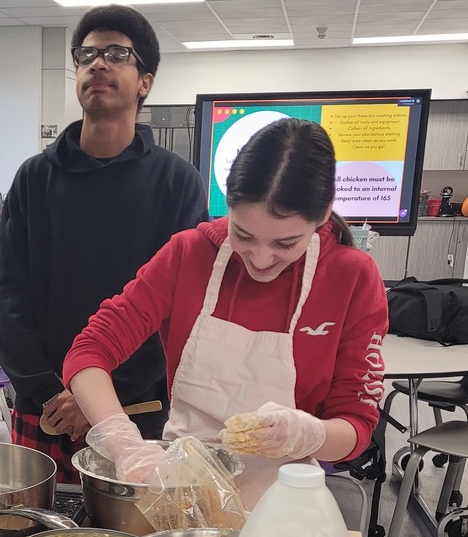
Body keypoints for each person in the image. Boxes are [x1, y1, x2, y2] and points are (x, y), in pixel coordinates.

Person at [64, 117, 388, 507]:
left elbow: (357, 426)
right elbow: (89, 351)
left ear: (322, 215)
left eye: (285, 243)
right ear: (228, 206)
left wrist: (309, 434)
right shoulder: (188, 255)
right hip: (182, 490)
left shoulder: (351, 277)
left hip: (283, 500)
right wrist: (123, 442)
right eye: (243, 235)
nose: (261, 259)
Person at [0, 5, 208, 483]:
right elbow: (9, 296)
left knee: (140, 529)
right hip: (46, 408)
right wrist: (52, 393)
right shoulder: (34, 179)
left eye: (116, 54)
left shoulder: (178, 183)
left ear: (145, 81)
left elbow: (180, 308)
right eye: (87, 54)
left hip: (137, 409)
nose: (98, 64)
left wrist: (97, 399)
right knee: (36, 526)